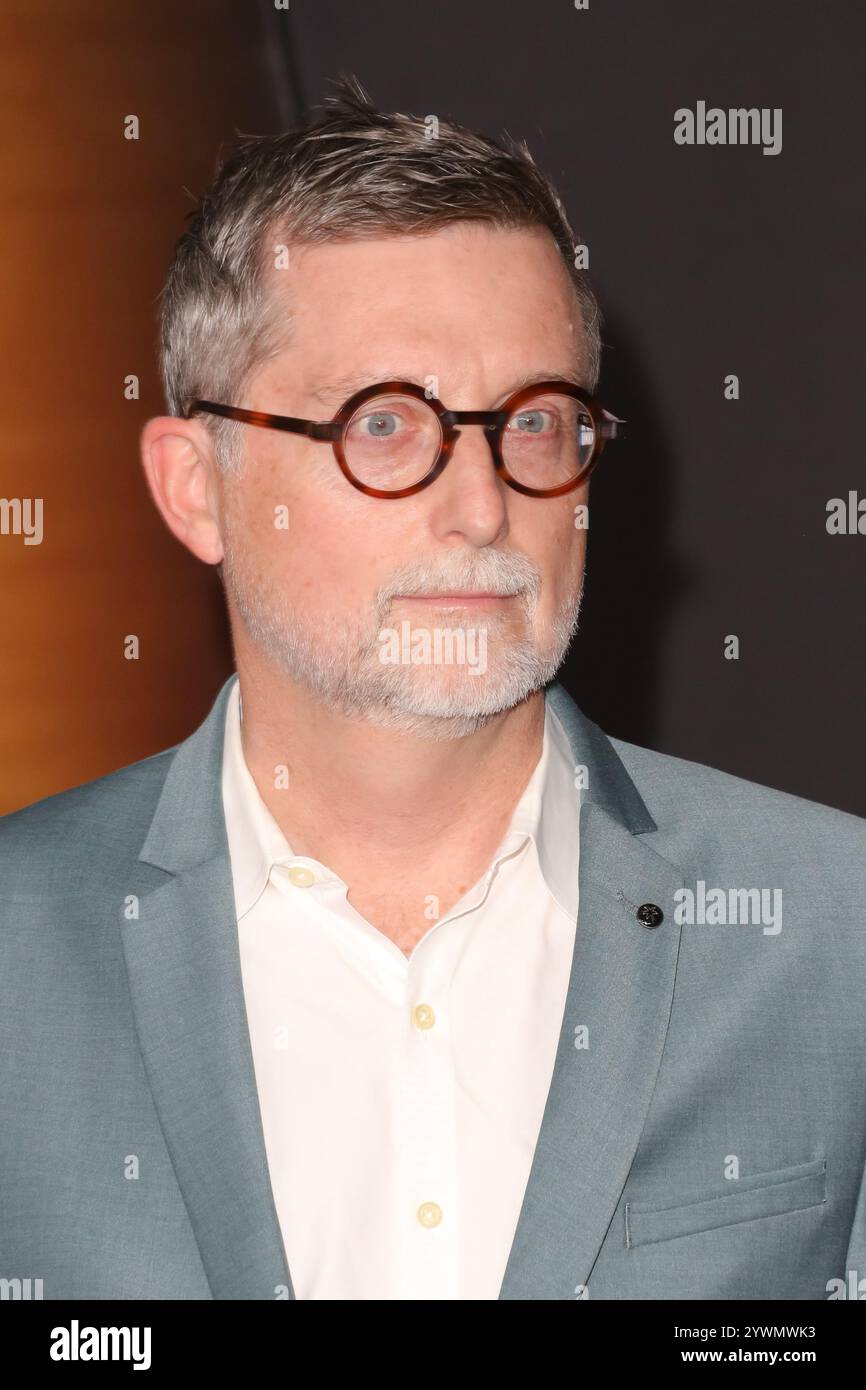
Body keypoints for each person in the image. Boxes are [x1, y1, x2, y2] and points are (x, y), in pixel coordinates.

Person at [1, 74, 864, 1302]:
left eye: (533, 423)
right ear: (197, 487)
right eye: (386, 425)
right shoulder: (17, 953)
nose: (481, 509)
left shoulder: (832, 931)